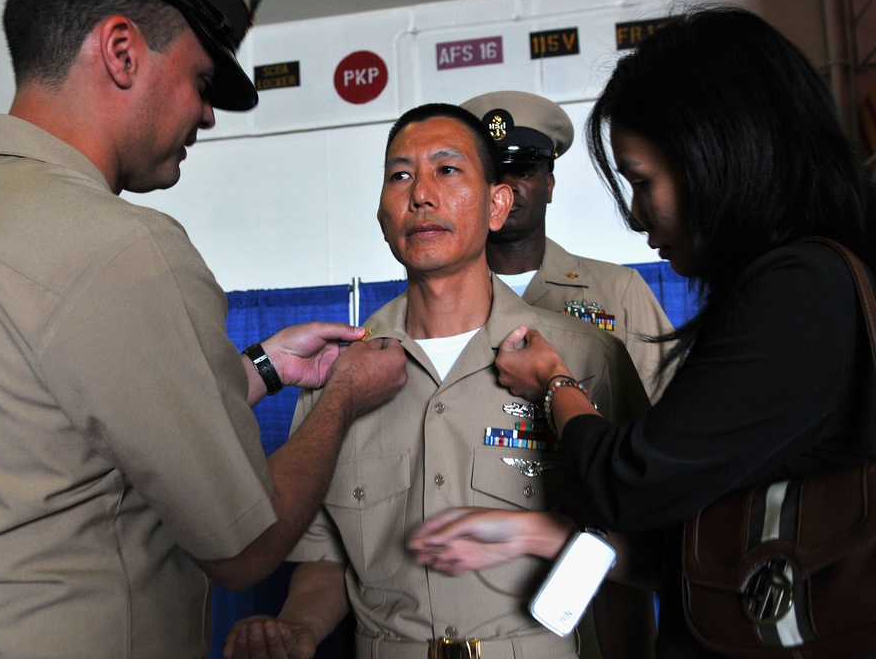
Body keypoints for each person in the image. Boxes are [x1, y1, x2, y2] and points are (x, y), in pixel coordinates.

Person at [0, 0, 408, 657]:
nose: (207, 114)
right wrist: (342, 398)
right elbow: (246, 544)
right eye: (201, 81)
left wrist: (262, 368)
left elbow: (50, 427)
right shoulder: (120, 249)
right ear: (122, 53)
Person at [409, 6, 876, 658]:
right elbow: (706, 534)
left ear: (716, 156)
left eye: (641, 181)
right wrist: (536, 535)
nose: (634, 216)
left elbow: (637, 483)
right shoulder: (380, 346)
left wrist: (556, 384)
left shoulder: (799, 291)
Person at [222, 103, 652, 659]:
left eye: (447, 170)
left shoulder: (582, 359)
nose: (421, 193)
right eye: (400, 176)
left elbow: (639, 547)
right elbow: (326, 552)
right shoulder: (342, 372)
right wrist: (299, 627)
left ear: (498, 205)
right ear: (382, 215)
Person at [460, 91, 677, 402]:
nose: (507, 189)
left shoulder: (620, 290)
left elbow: (666, 408)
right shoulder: (441, 298)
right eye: (492, 175)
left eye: (523, 172)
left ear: (548, 186)